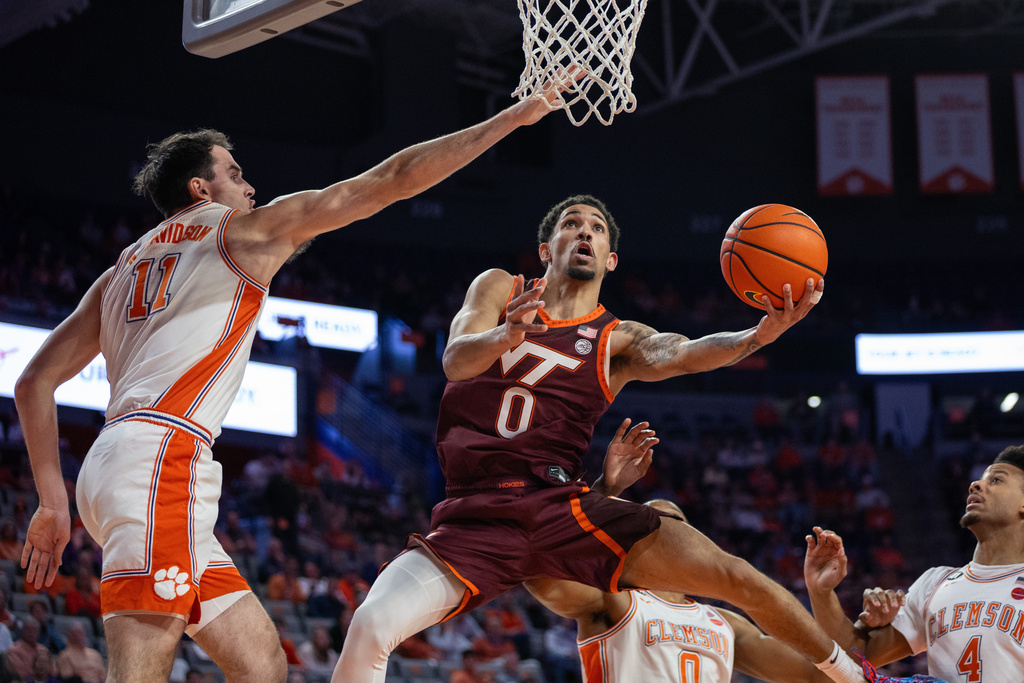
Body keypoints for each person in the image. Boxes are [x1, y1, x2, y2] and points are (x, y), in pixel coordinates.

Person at [14, 84, 566, 682]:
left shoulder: (120, 268)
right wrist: (517, 116)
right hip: (159, 459)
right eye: (235, 172)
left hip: (114, 463)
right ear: (202, 190)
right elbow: (393, 178)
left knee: (262, 664)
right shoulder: (236, 233)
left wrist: (52, 500)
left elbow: (34, 381)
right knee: (140, 668)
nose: (251, 188)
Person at [334, 195, 865, 682]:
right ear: (547, 248)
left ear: (611, 259)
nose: (585, 232)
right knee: (371, 624)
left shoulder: (618, 339)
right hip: (475, 515)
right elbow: (455, 361)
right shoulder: (502, 289)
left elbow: (684, 352)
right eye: (572, 224)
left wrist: (757, 336)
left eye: (597, 229)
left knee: (737, 577)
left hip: (559, 506)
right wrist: (505, 333)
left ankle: (858, 678)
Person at [527, 498, 846, 682]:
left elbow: (815, 674)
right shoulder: (617, 601)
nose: (668, 535)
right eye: (654, 526)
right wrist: (604, 493)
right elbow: (540, 572)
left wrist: (821, 595)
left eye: (675, 526)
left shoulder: (725, 623)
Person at [804, 445, 1024, 681]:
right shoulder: (935, 582)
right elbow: (855, 655)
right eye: (980, 479)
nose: (976, 485)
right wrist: (821, 592)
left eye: (997, 480)